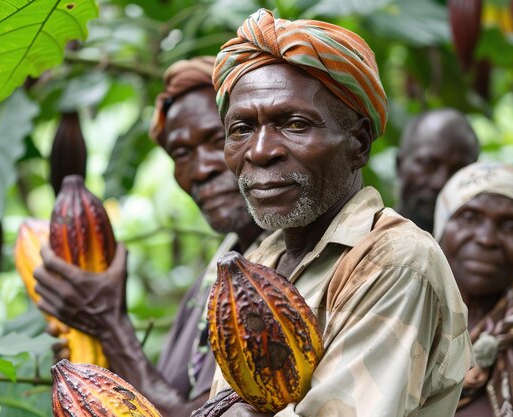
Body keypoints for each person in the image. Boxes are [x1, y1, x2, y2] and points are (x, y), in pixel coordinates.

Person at [199, 8, 473, 417]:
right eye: (241, 129)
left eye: (293, 123)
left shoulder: (396, 260)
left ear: (358, 143)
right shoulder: (259, 261)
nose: (260, 151)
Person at [33, 57, 263, 417]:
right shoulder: (223, 261)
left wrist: (111, 326)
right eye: (182, 153)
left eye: (218, 139)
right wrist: (92, 370)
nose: (201, 169)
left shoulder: (287, 268)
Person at [432, 161, 513, 417]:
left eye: (511, 226)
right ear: (441, 227)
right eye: (470, 218)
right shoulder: (399, 308)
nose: (486, 239)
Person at [396, 108, 480, 234]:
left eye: (458, 171)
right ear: (400, 165)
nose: (440, 183)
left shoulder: (480, 247)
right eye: (428, 164)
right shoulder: (364, 243)